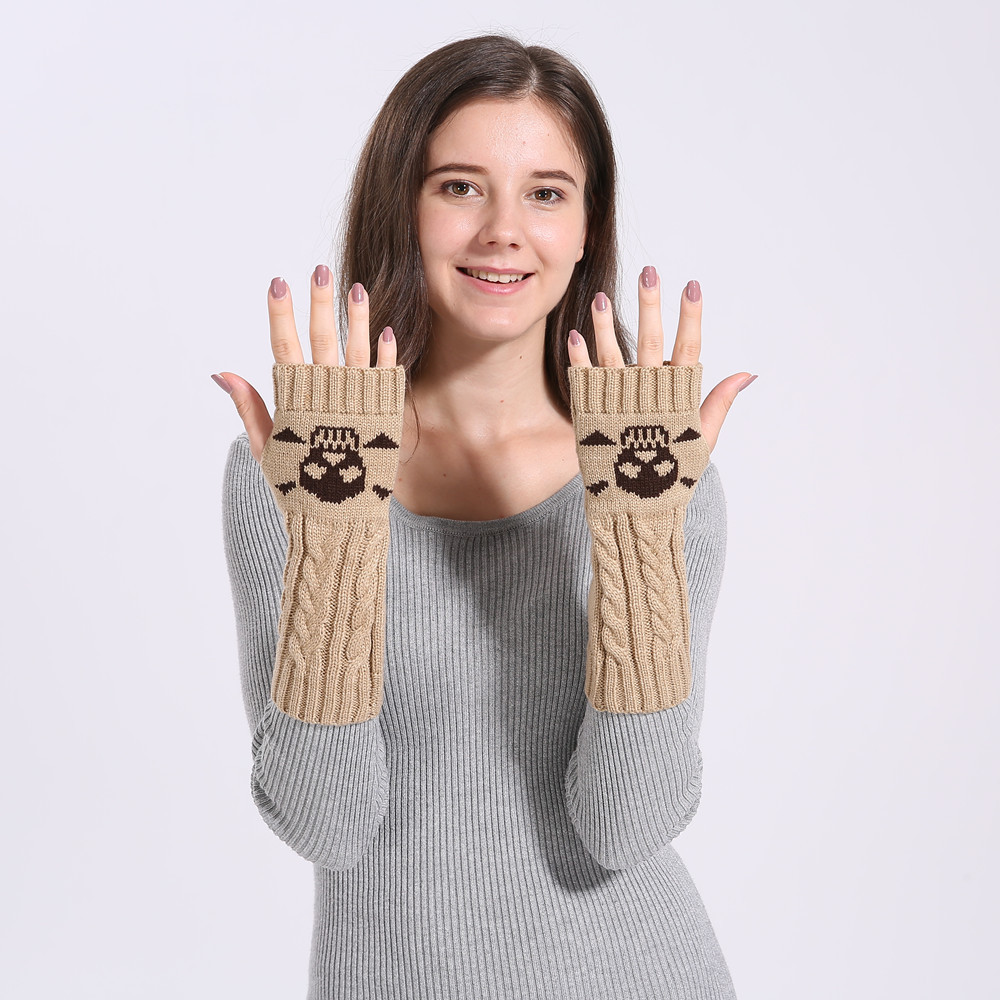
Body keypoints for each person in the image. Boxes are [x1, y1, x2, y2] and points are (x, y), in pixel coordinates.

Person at [214, 33, 756, 1000]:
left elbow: (627, 824)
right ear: (402, 207)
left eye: (546, 193)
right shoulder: (294, 470)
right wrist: (339, 531)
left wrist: (635, 532)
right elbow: (326, 824)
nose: (504, 231)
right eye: (460, 186)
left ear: (587, 228)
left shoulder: (658, 476)